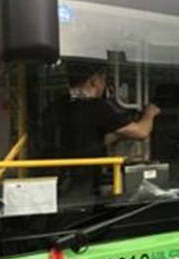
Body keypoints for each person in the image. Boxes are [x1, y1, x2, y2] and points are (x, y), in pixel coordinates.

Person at [40, 60, 160, 195]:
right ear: (94, 81)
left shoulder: (55, 106)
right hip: (84, 180)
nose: (104, 85)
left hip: (58, 179)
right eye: (103, 79)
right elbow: (141, 132)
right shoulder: (96, 107)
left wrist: (118, 134)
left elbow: (84, 140)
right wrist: (150, 112)